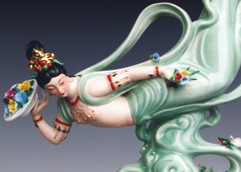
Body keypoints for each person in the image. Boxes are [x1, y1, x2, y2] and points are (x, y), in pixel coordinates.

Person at [26, 40, 172, 145]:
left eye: (61, 82)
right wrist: (37, 117)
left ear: (66, 76)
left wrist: (160, 71)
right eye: (52, 89)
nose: (60, 90)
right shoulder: (65, 107)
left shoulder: (87, 87)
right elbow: (56, 138)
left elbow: (127, 75)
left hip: (147, 102)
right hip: (143, 116)